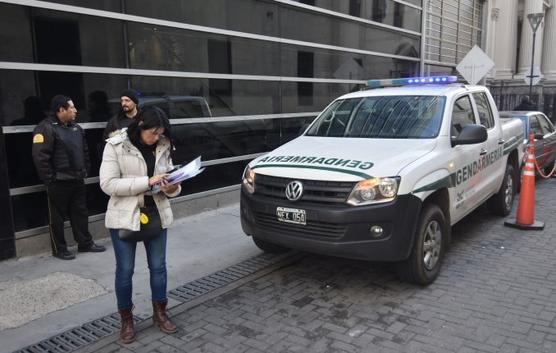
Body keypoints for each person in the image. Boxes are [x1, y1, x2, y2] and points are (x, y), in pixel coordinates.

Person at [99, 106, 181, 344]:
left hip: (156, 212)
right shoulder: (115, 145)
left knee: (159, 267)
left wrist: (172, 186)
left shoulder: (164, 145)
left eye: (160, 133)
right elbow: (108, 184)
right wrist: (147, 182)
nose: (157, 137)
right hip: (124, 215)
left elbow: (171, 179)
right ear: (140, 125)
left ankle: (160, 313)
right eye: (153, 132)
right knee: (125, 271)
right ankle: (126, 320)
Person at [32, 95, 106, 260]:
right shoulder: (45, 128)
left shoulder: (77, 128)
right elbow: (40, 157)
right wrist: (50, 179)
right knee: (57, 218)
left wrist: (85, 170)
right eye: (71, 108)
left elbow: (85, 152)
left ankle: (85, 243)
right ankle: (60, 249)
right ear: (61, 110)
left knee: (80, 213)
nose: (75, 110)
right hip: (58, 182)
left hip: (77, 179)